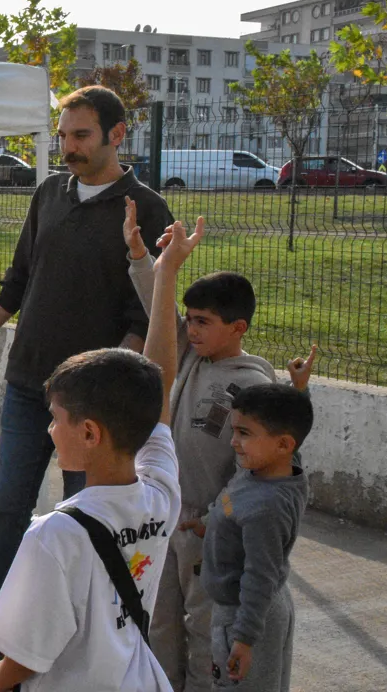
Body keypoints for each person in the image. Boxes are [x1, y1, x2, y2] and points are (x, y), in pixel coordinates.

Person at [0, 85, 175, 603]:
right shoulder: (49, 193)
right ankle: (0, 619)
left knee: (85, 520)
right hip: (28, 386)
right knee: (8, 511)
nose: (68, 147)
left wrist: (104, 385)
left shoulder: (146, 208)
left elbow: (145, 314)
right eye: (63, 135)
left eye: (81, 136)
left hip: (91, 407)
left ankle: (73, 622)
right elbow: (18, 279)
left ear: (117, 134)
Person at [0, 215, 205, 692]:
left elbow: (19, 663)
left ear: (88, 433)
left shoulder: (55, 535)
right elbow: (159, 383)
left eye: (55, 418)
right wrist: (165, 274)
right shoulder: (161, 494)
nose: (50, 430)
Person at [122, 202, 316, 691]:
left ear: (238, 328)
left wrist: (215, 517)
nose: (191, 329)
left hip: (207, 528)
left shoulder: (252, 384)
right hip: (168, 514)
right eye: (189, 319)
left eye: (203, 321)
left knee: (204, 630)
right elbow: (157, 306)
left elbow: (258, 465)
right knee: (159, 621)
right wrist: (144, 258)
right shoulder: (188, 353)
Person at [186, 386, 312, 690]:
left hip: (245, 616)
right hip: (254, 611)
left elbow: (259, 576)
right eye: (234, 430)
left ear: (283, 444)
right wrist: (300, 388)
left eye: (244, 433)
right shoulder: (271, 468)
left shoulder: (266, 508)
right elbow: (291, 429)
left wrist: (243, 640)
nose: (233, 441)